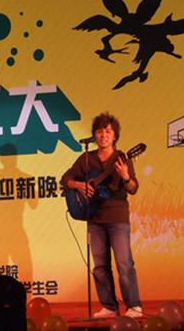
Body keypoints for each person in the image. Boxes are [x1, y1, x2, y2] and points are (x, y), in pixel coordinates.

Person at [60, 112, 143, 318]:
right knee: (100, 266)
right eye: (99, 131)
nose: (103, 135)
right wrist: (79, 185)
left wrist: (125, 177)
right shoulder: (87, 159)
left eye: (108, 131)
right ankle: (109, 306)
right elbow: (65, 179)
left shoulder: (122, 158)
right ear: (94, 135)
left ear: (115, 136)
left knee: (124, 263)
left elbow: (133, 188)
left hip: (117, 217)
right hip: (94, 218)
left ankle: (133, 306)